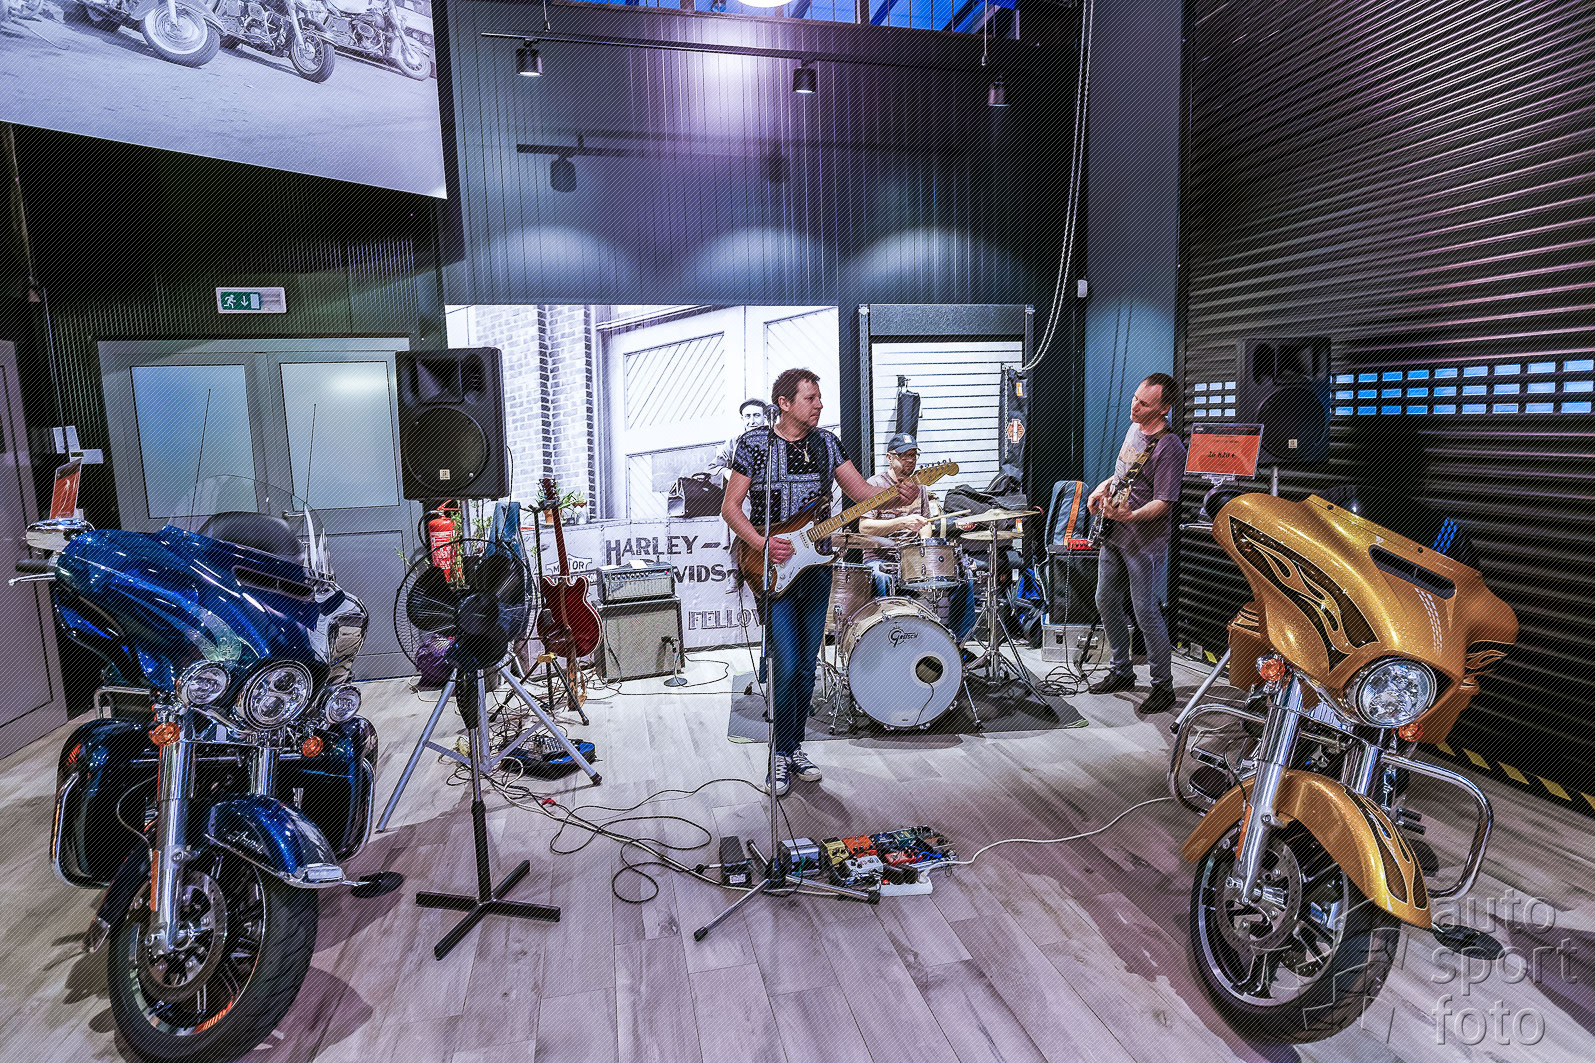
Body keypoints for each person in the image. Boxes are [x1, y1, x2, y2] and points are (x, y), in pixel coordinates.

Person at [721, 369, 912, 796]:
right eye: (811, 398)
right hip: (773, 567)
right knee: (786, 664)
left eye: (819, 397)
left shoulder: (827, 443)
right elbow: (730, 508)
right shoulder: (754, 445)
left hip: (818, 565)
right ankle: (776, 752)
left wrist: (897, 494)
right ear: (785, 403)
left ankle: (793, 748)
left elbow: (861, 492)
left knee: (808, 666)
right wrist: (762, 542)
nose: (820, 404)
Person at [1087, 373, 1187, 716]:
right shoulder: (1134, 429)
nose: (1135, 406)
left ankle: (1163, 686)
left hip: (1144, 542)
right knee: (1104, 599)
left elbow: (1164, 502)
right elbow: (1124, 475)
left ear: (1164, 408)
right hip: (1114, 534)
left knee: (1145, 610)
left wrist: (1131, 516)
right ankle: (1121, 670)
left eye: (1144, 404)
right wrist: (1102, 488)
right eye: (1135, 398)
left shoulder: (1170, 447)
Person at [858, 433, 977, 640]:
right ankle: (888, 638)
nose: (910, 460)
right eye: (904, 455)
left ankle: (959, 642)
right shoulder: (875, 484)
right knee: (882, 577)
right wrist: (902, 522)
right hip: (880, 559)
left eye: (913, 455)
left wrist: (926, 550)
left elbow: (925, 524)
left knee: (963, 576)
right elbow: (864, 527)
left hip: (912, 559)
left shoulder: (919, 487)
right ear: (889, 457)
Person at [710, 399, 772, 485]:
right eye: (747, 416)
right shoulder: (734, 442)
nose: (752, 421)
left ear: (765, 417)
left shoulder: (774, 439)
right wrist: (726, 472)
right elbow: (713, 466)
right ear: (742, 419)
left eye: (756, 415)